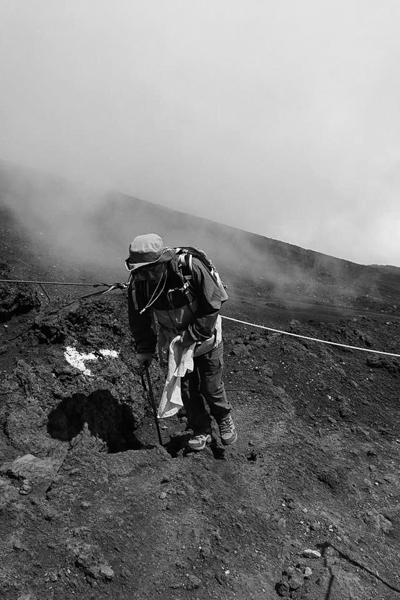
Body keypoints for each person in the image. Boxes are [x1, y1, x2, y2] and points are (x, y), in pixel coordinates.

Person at [126, 232, 237, 451]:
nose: (146, 276)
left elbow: (213, 303)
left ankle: (223, 419)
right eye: (141, 271)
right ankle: (201, 430)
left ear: (162, 262)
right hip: (175, 343)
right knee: (186, 390)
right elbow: (138, 318)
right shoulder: (139, 285)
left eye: (150, 269)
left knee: (211, 385)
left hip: (206, 338)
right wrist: (145, 350)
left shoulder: (190, 268)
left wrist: (192, 335)